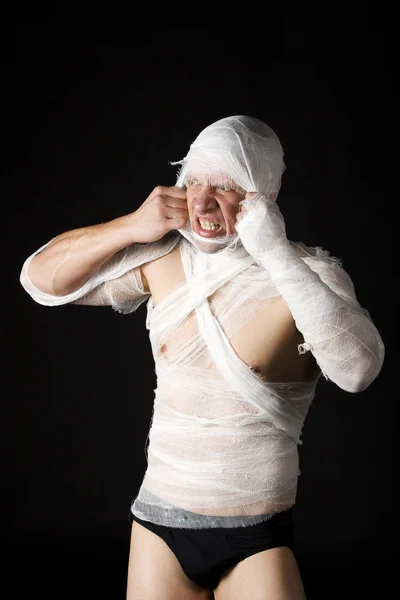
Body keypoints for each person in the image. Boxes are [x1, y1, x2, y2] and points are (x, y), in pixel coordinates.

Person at [20, 115, 385, 600]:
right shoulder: (161, 258)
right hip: (158, 525)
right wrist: (131, 225)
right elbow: (40, 281)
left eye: (224, 186)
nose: (201, 201)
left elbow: (358, 371)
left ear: (264, 195)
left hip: (255, 535)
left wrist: (275, 254)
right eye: (192, 181)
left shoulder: (307, 275)